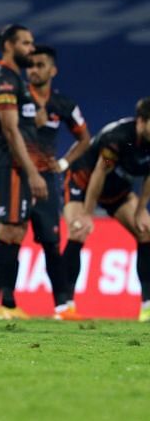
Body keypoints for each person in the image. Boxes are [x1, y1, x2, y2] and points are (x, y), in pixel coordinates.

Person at [0, 24, 48, 320]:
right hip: (11, 163)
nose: (31, 48)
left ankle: (7, 302)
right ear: (9, 45)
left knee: (17, 231)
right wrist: (32, 172)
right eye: (26, 43)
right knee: (6, 229)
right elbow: (9, 129)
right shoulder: (4, 79)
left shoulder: (16, 80)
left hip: (20, 162)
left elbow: (30, 124)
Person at [64, 97, 150, 322]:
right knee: (79, 230)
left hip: (116, 191)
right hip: (83, 182)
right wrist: (87, 213)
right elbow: (99, 173)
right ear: (141, 121)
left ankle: (147, 305)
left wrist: (141, 209)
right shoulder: (118, 138)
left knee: (146, 230)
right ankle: (65, 305)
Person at [25, 45, 90, 320]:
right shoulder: (15, 98)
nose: (34, 70)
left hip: (47, 180)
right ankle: (0, 302)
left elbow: (85, 139)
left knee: (51, 243)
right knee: (8, 238)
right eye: (31, 65)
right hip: (17, 175)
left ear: (53, 70)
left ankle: (63, 306)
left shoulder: (64, 105)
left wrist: (63, 164)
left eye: (40, 65)